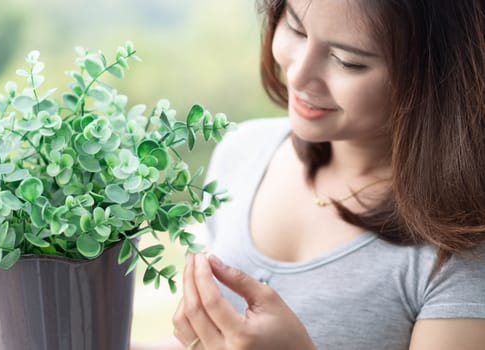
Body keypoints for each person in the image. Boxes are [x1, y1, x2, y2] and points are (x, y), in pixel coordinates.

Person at [133, 0, 485, 349]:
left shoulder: (463, 247)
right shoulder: (243, 151)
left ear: (438, 75)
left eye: (348, 61)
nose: (298, 75)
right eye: (296, 28)